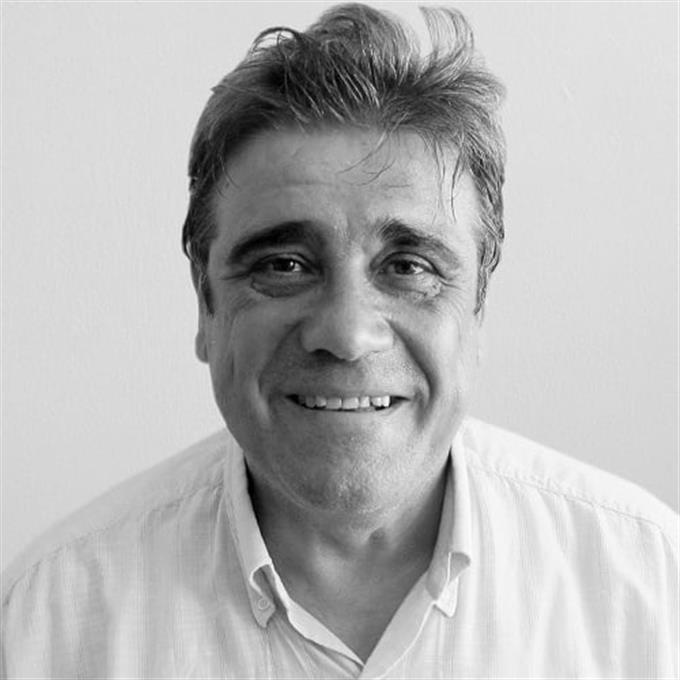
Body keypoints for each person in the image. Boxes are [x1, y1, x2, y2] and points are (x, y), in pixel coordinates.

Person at [2, 3, 677, 678]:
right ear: (206, 303)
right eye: (283, 265)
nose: (348, 334)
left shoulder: (650, 585)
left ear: (478, 305)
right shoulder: (48, 621)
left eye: (408, 267)